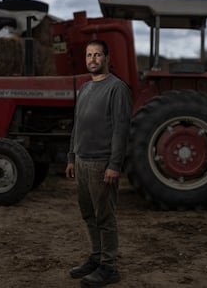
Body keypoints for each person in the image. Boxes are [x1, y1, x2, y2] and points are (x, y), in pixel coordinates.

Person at [65, 39, 132, 287]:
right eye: (88, 55)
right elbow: (77, 125)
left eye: (97, 55)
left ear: (107, 58)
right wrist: (72, 157)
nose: (92, 59)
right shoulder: (84, 88)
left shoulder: (117, 89)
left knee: (104, 216)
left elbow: (120, 130)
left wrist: (114, 165)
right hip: (82, 161)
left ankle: (109, 266)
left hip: (102, 163)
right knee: (88, 214)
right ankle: (96, 257)